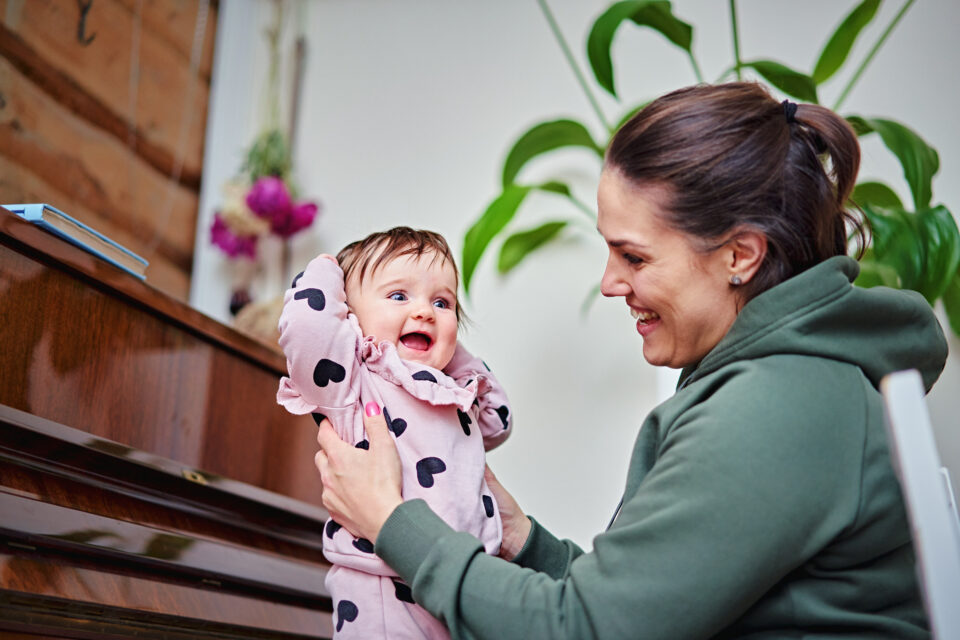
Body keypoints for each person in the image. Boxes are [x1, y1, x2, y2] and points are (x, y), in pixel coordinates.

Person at [312, 83, 948, 639]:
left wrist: (393, 521)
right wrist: (519, 539)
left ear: (740, 256)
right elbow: (637, 610)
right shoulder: (786, 382)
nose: (610, 282)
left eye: (635, 257)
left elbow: (584, 631)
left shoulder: (780, 402)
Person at [276, 227, 512, 638]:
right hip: (383, 590)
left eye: (442, 302)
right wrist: (329, 267)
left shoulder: (452, 392)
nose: (424, 312)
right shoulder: (351, 384)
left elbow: (499, 419)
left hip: (462, 581)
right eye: (399, 296)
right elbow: (304, 327)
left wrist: (450, 353)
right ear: (350, 318)